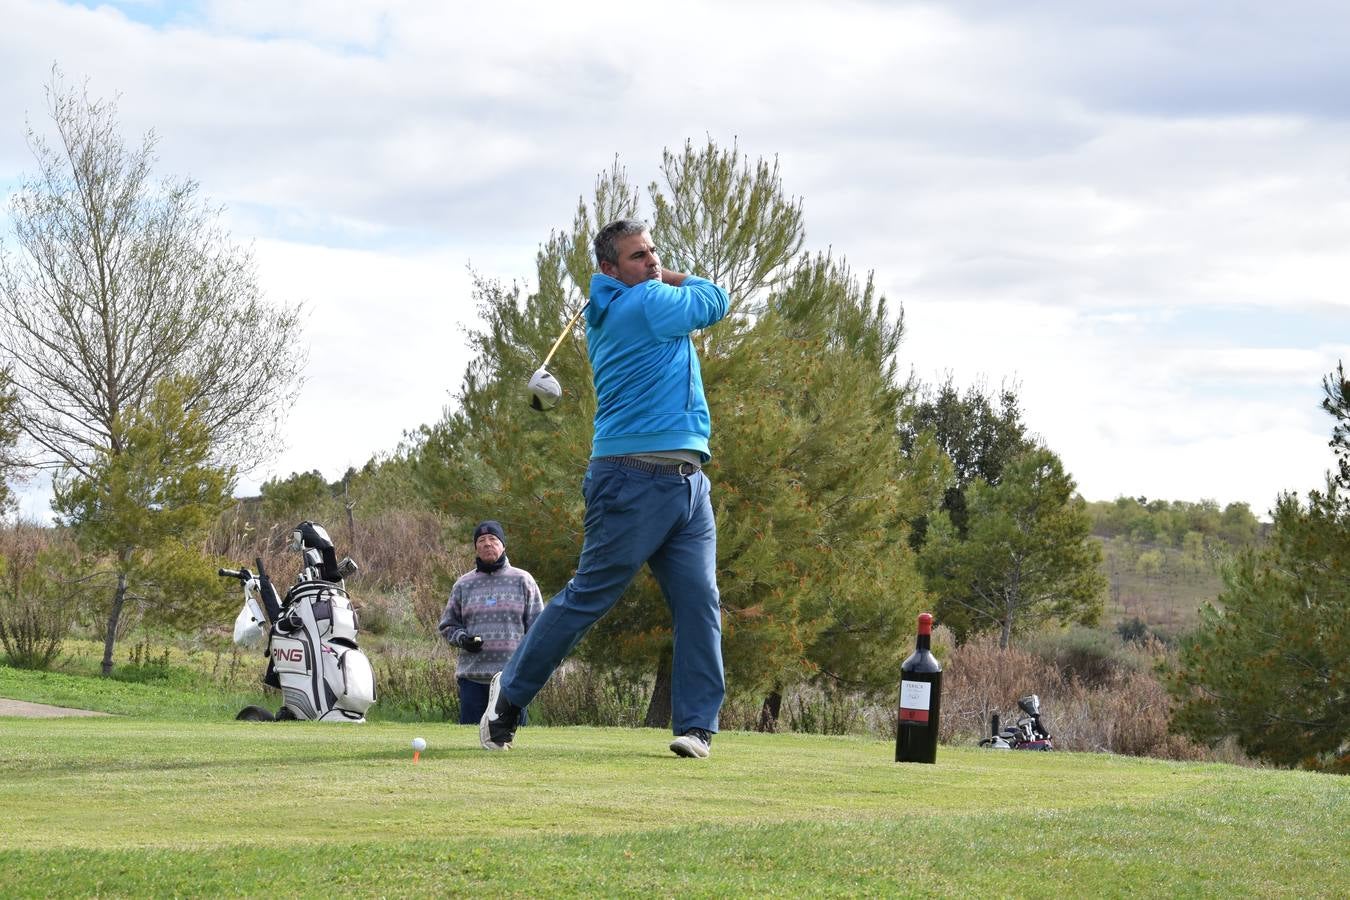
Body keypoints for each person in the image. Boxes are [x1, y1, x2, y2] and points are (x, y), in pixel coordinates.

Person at [481, 218, 730, 759]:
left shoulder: (631, 301)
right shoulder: (645, 305)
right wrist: (674, 276)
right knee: (589, 596)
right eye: (639, 256)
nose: (653, 263)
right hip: (633, 480)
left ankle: (696, 726)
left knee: (700, 600)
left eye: (654, 252)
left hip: (689, 482)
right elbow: (716, 299)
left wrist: (655, 275)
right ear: (610, 269)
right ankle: (509, 698)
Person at [438, 520, 543, 725]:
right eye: (481, 540)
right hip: (472, 679)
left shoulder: (524, 580)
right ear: (476, 548)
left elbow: (539, 628)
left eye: (493, 539)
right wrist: (463, 639)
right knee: (469, 741)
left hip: (512, 679)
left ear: (503, 545)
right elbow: (447, 625)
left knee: (511, 742)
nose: (487, 544)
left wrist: (530, 669)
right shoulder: (463, 584)